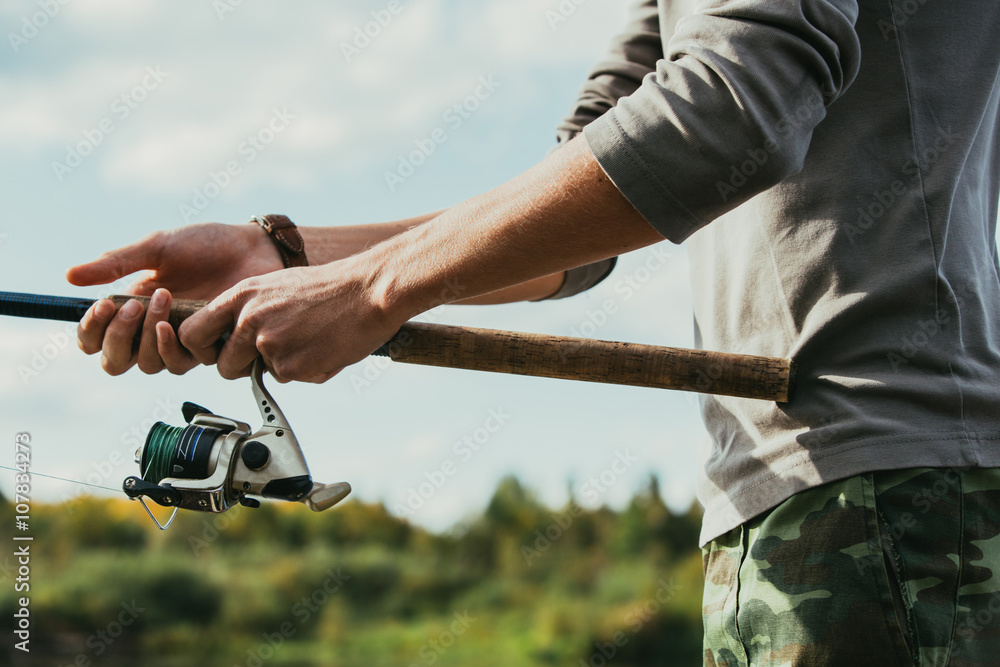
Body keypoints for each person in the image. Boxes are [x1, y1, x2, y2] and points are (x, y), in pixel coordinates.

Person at [70, 0, 1000, 664]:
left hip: (889, 498)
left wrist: (372, 288)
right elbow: (575, 216)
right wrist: (291, 257)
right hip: (797, 506)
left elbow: (731, 111)